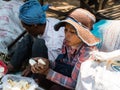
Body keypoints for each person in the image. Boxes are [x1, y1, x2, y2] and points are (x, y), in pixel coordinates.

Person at [30, 8, 100, 90]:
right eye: (66, 30)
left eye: (72, 32)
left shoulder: (87, 52)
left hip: (79, 85)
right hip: (69, 77)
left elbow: (74, 84)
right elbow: (61, 65)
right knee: (41, 78)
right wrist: (47, 63)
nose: (67, 35)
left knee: (56, 88)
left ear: (83, 35)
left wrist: (47, 72)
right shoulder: (68, 43)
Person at [7, 0, 65, 75]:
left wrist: (33, 65)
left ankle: (35, 76)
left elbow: (55, 66)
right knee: (28, 38)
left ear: (35, 25)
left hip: (55, 66)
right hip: (46, 54)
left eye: (26, 27)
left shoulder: (53, 42)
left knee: (39, 43)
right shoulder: (46, 22)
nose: (26, 30)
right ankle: (11, 66)